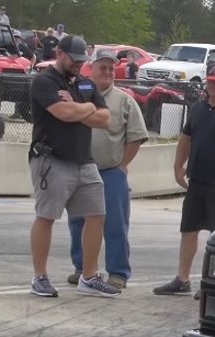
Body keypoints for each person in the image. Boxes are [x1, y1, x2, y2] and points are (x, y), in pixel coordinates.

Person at [28, 35, 117, 298]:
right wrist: (85, 109)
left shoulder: (86, 85)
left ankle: (89, 276)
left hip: (84, 160)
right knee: (47, 217)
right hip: (52, 157)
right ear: (61, 54)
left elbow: (104, 119)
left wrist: (80, 106)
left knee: (97, 214)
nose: (79, 64)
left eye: (82, 60)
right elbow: (62, 114)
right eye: (75, 60)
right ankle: (40, 276)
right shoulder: (45, 82)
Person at [153, 63, 215, 297]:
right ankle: (182, 279)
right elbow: (185, 138)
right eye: (210, 81)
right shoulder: (198, 108)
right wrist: (179, 167)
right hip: (197, 181)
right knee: (188, 229)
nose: (213, 86)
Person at [66, 48, 149, 290]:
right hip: (80, 169)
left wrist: (123, 165)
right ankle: (82, 268)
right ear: (90, 69)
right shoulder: (78, 95)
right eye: (103, 67)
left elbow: (136, 137)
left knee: (115, 223)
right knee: (78, 222)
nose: (108, 72)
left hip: (110, 171)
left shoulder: (124, 100)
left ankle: (118, 272)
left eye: (112, 68)